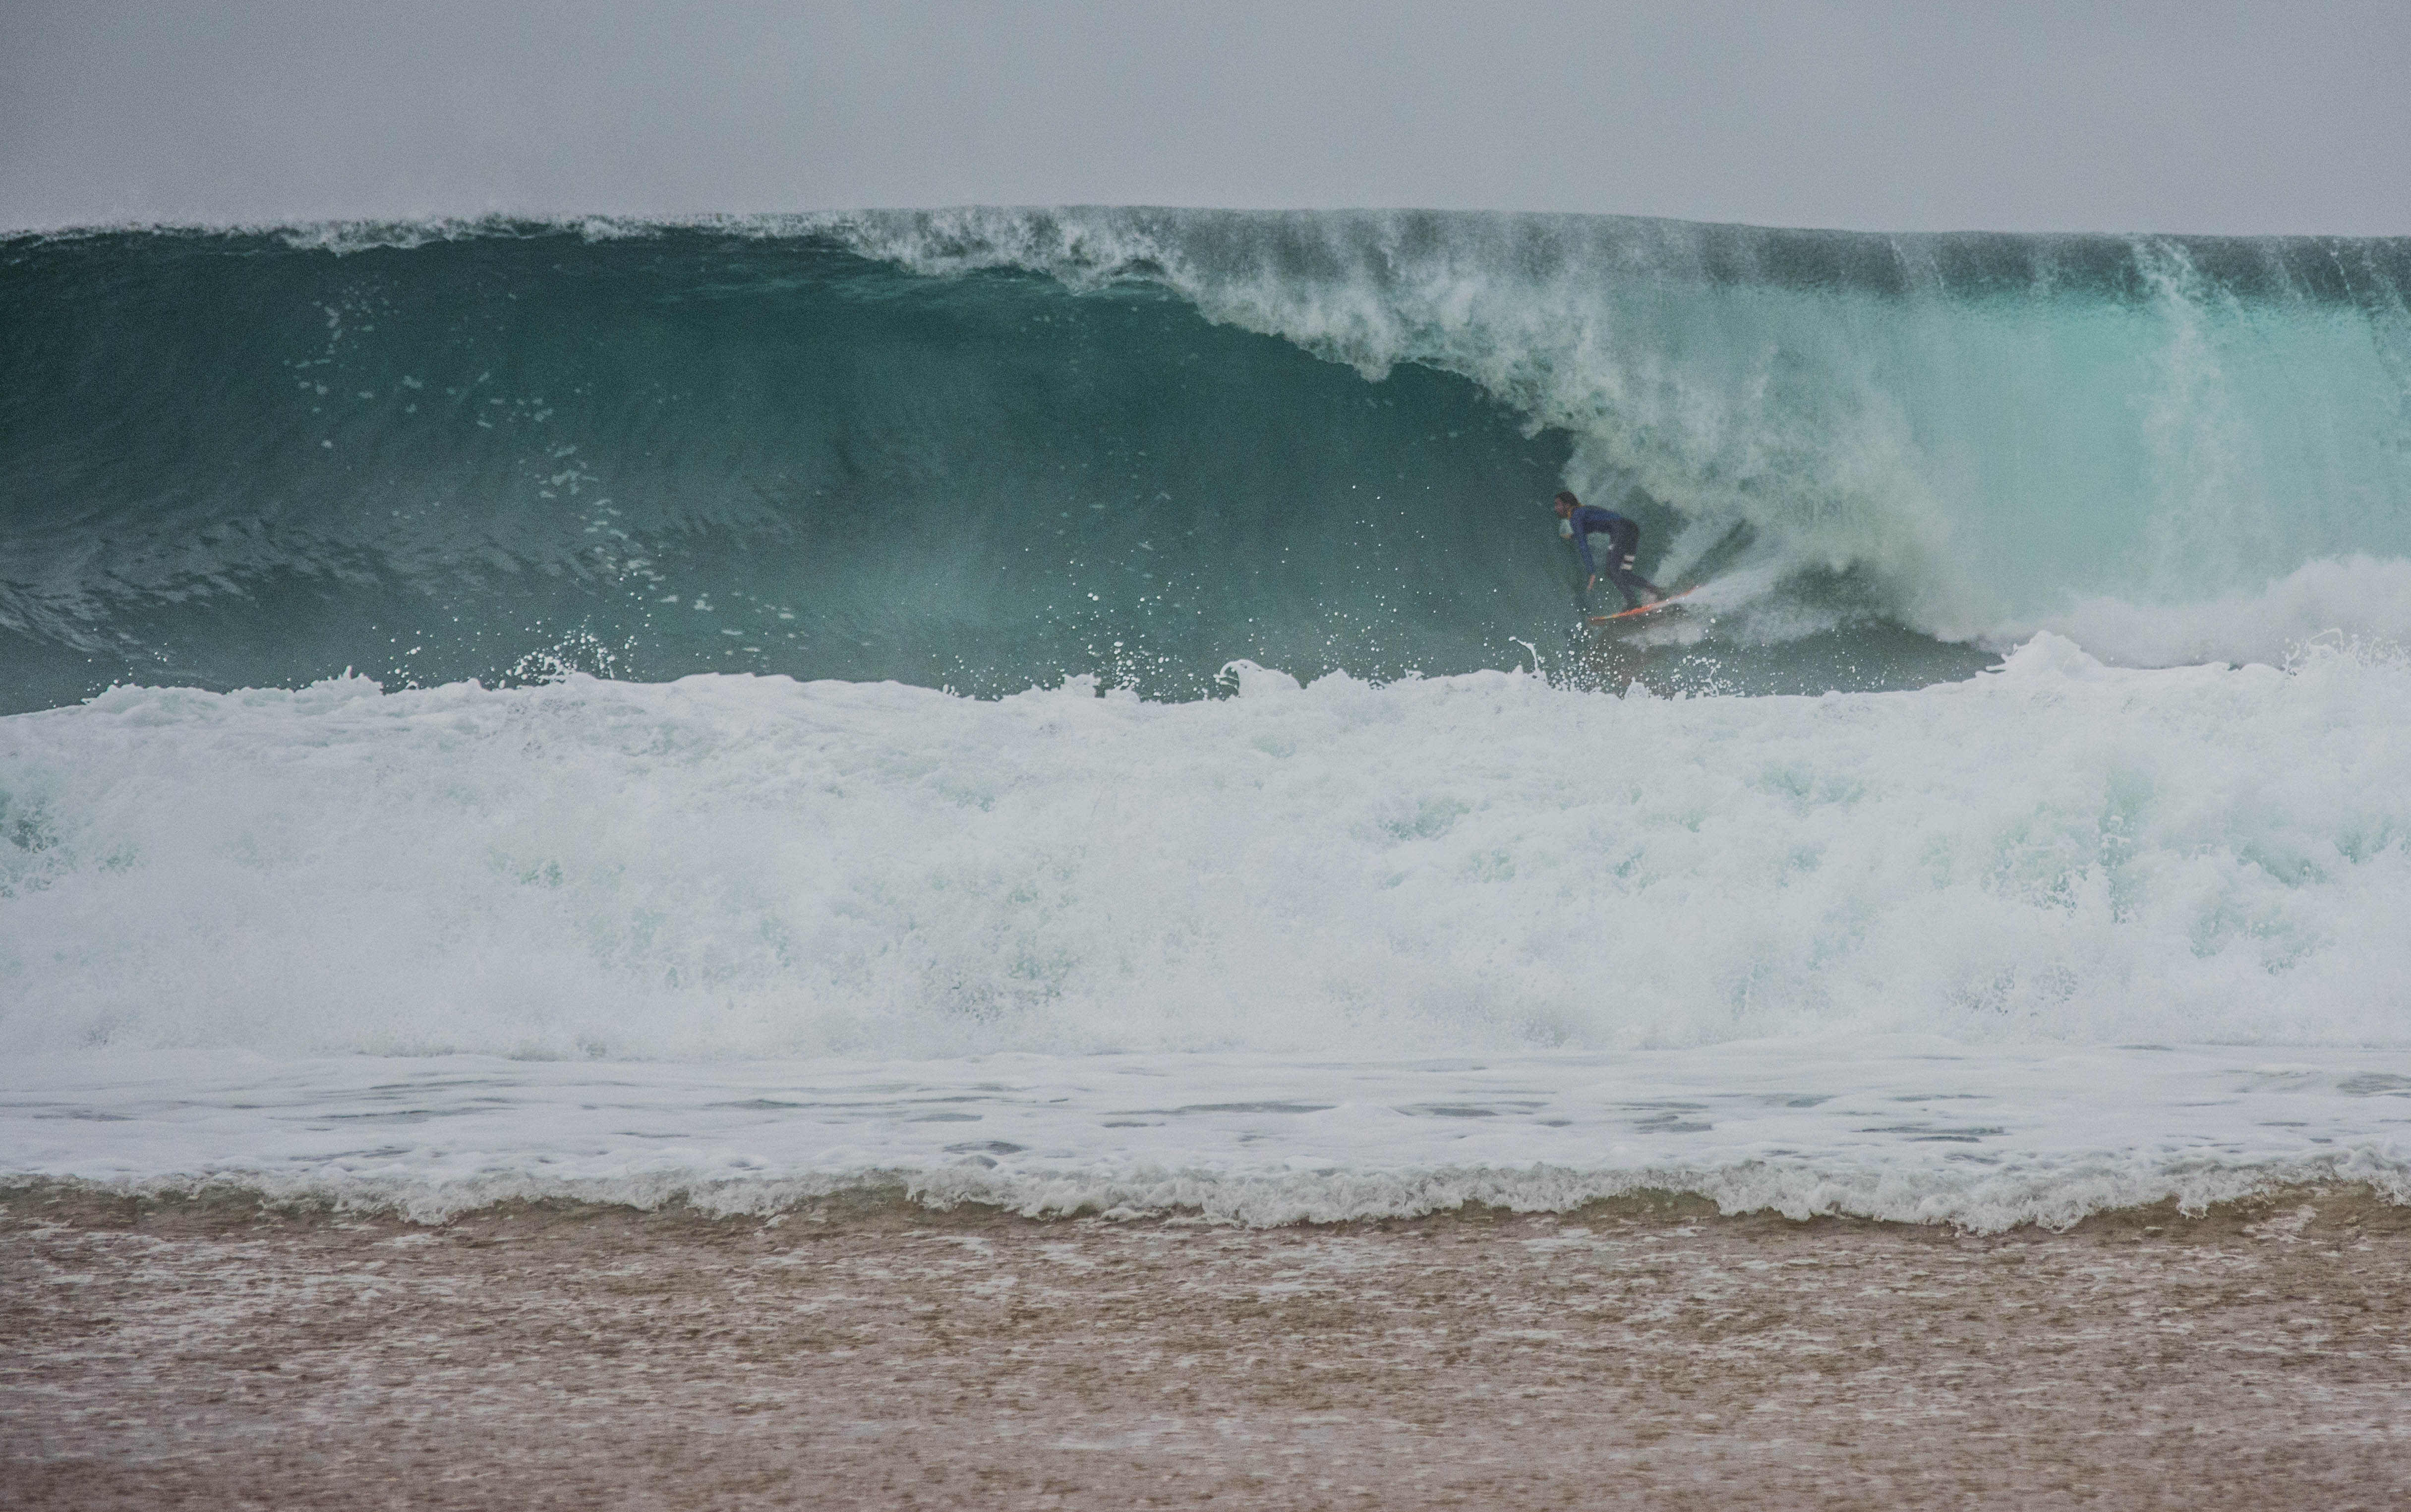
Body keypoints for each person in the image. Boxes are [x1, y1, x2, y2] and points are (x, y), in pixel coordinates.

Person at [1554, 491, 1663, 610]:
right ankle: (1657, 591)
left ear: (1567, 505)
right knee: (1624, 574)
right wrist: (1572, 536)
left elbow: (1583, 544)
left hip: (1620, 532)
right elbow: (1593, 527)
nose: (1556, 508)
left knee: (1612, 571)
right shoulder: (1584, 510)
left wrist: (1592, 572)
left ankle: (1633, 603)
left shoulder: (1575, 516)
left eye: (1558, 504)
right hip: (1631, 529)